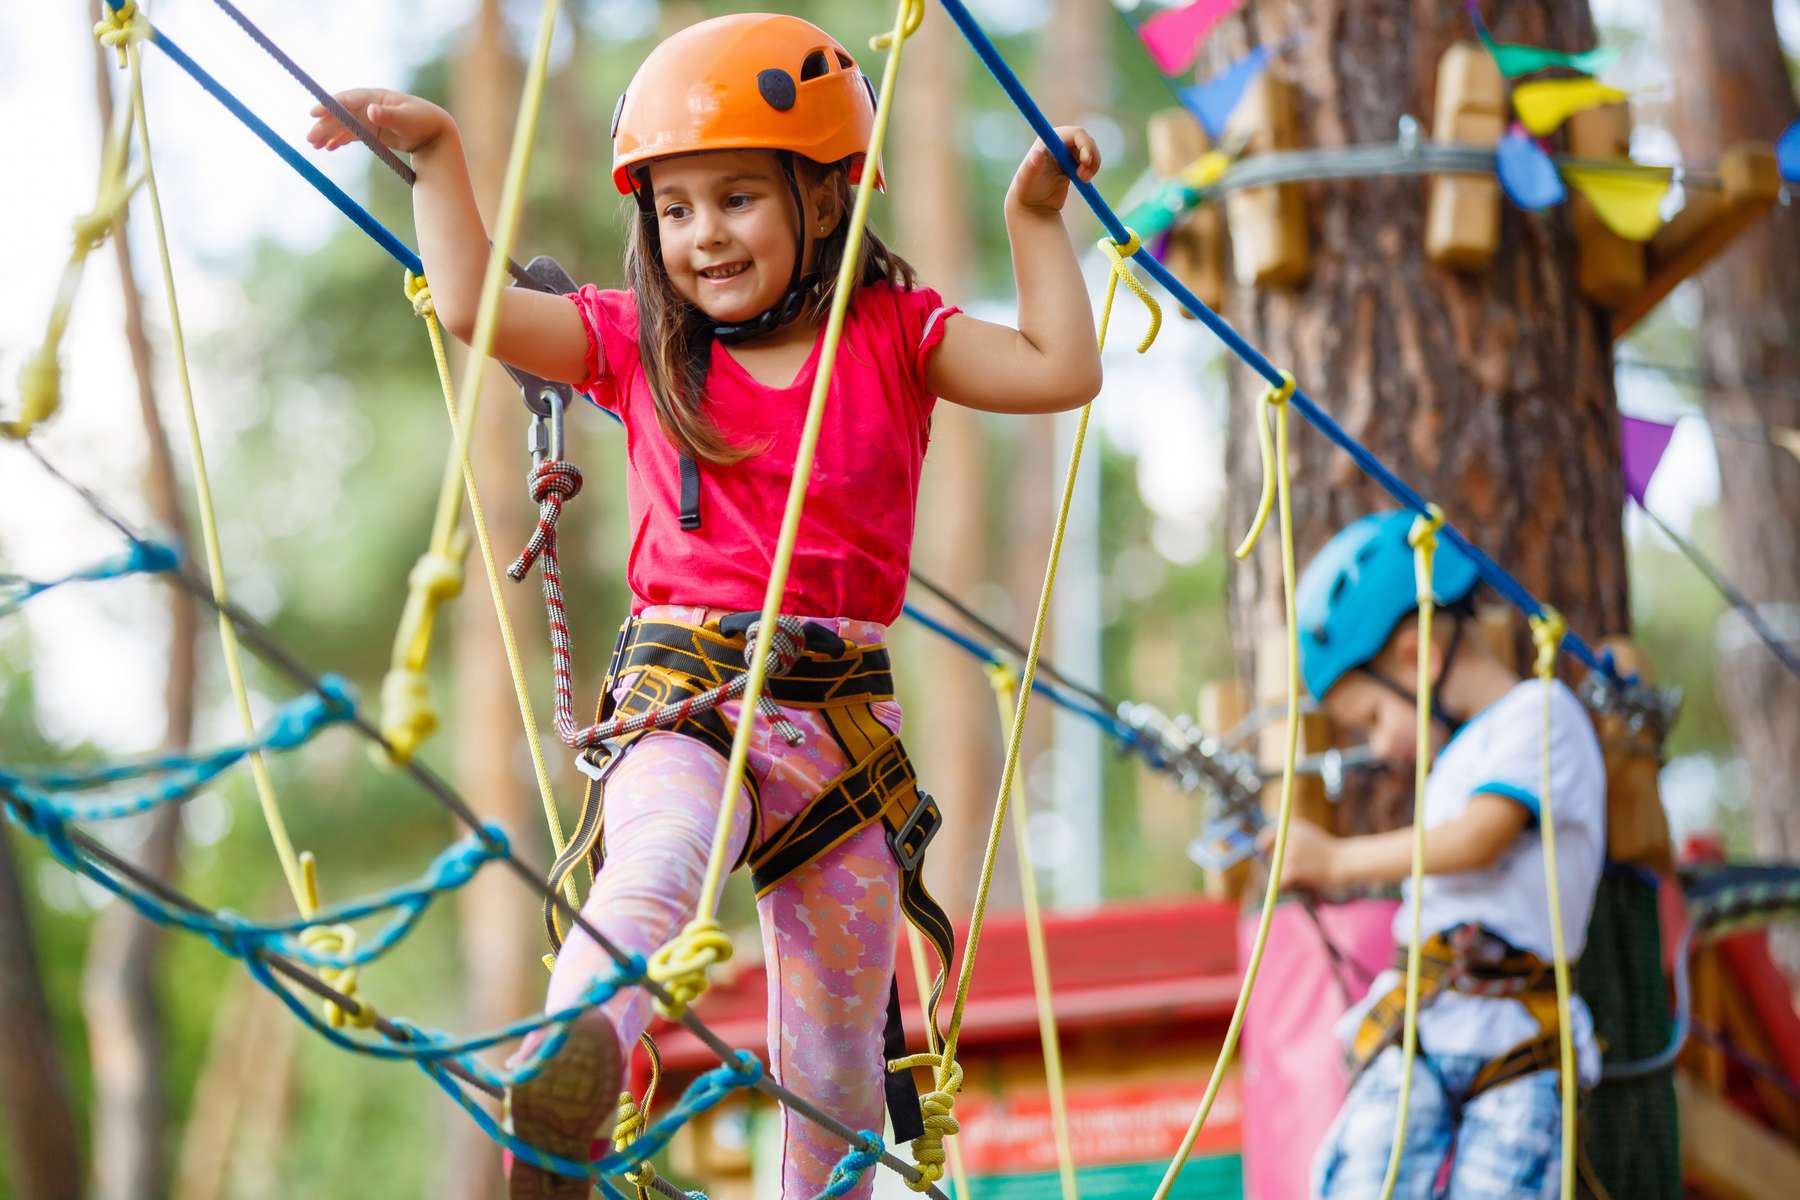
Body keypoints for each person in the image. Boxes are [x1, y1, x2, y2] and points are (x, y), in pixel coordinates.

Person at [307, 12, 1103, 1198]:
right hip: (686, 704)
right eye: (674, 210)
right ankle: (566, 1066)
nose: (703, 236)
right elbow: (474, 305)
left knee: (835, 1061)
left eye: (736, 198)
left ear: (824, 199)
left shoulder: (895, 332)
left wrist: (1031, 222)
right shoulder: (636, 345)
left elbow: (1058, 369)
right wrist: (438, 158)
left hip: (841, 739)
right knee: (658, 869)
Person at [1263, 510, 1607, 1199]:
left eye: (1373, 718)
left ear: (1417, 656)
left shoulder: (1540, 713)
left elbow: (1479, 840)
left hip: (1518, 1037)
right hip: (1425, 1025)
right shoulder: (1457, 758)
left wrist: (1336, 861)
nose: (1383, 745)